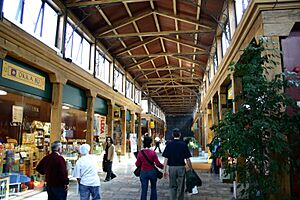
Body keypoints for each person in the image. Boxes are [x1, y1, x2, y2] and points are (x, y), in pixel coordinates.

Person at [162, 128, 193, 200]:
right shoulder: (183, 144)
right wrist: (190, 168)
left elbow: (166, 159)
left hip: (172, 168)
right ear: (180, 134)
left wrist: (164, 170)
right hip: (181, 167)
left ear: (172, 135)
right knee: (181, 186)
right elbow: (187, 159)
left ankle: (173, 198)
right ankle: (180, 198)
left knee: (172, 185)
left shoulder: (169, 144)